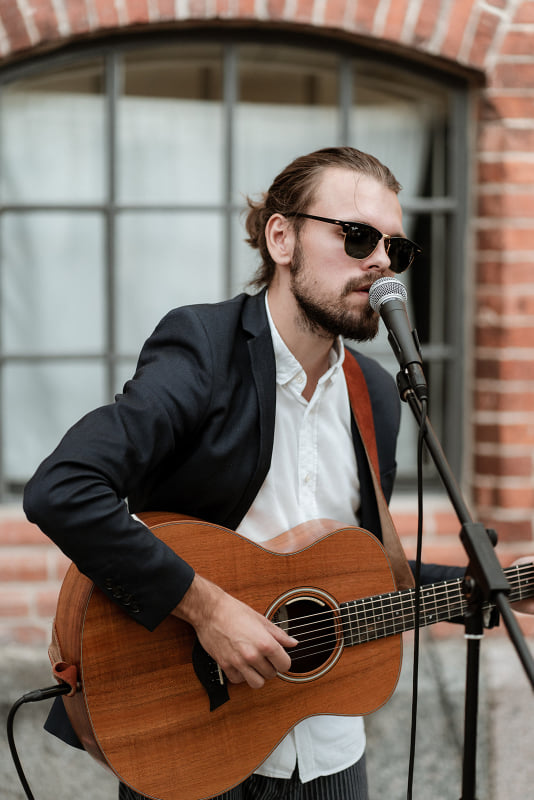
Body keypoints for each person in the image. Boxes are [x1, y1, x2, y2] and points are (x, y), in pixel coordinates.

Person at [22, 146, 533, 800]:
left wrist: (497, 584)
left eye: (395, 250)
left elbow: (361, 574)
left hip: (332, 756)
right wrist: (208, 610)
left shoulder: (377, 394)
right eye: (357, 237)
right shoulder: (204, 350)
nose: (380, 260)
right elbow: (63, 488)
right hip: (195, 735)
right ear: (282, 236)